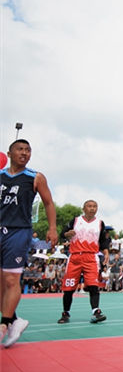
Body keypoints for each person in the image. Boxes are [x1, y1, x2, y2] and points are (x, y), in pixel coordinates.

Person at [0, 139, 58, 347]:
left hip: (18, 232)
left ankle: (4, 323)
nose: (24, 153)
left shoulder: (35, 177)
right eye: (20, 149)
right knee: (1, 282)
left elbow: (48, 202)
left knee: (11, 280)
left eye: (28, 150)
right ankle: (15, 320)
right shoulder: (0, 176)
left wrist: (52, 228)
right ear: (10, 153)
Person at [57, 200, 110, 324]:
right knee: (69, 288)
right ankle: (66, 313)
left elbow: (103, 241)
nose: (92, 208)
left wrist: (106, 252)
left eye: (95, 206)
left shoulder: (100, 223)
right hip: (75, 257)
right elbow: (62, 233)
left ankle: (96, 311)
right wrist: (66, 234)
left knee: (93, 285)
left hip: (91, 257)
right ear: (83, 208)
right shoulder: (75, 221)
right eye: (89, 206)